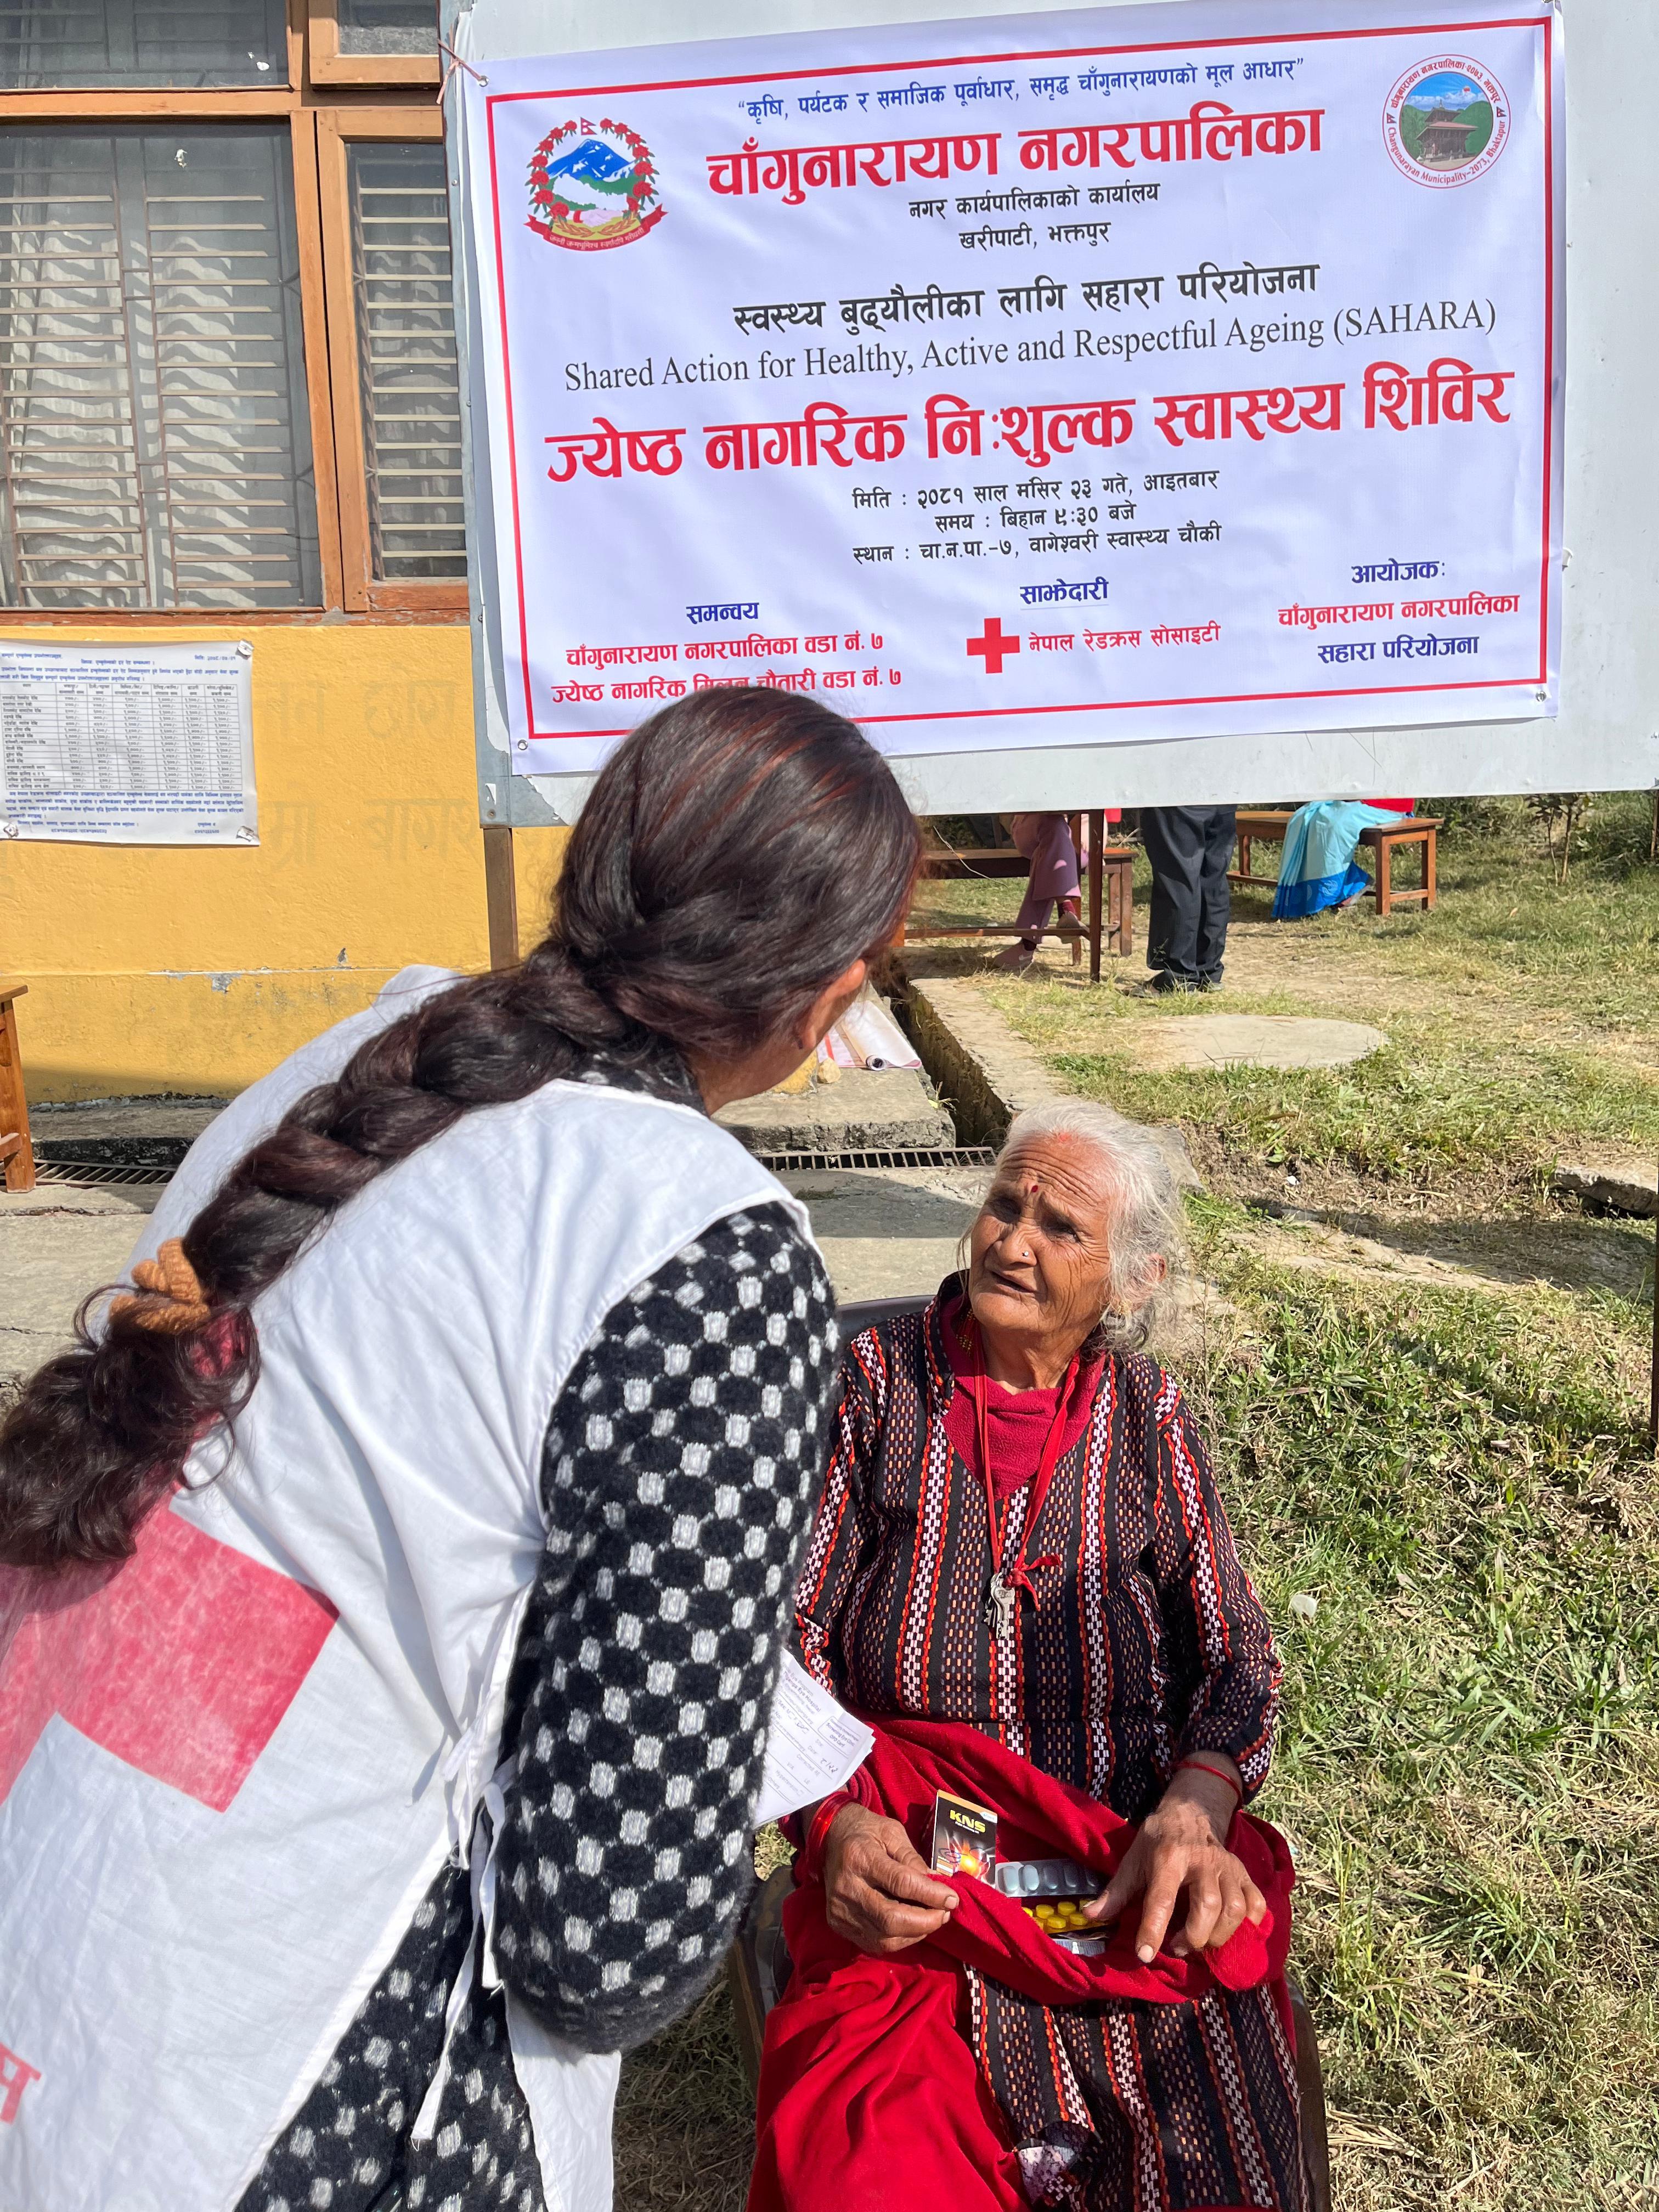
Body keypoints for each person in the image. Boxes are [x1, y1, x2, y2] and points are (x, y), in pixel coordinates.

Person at [0, 690, 920, 2212]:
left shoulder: (371, 1055)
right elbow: (605, 1944)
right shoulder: (701, 1245)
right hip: (294, 2077)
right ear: (830, 996)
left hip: (61, 1921)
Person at [751, 1099, 1304, 2212]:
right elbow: (780, 1640)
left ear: (1132, 1281)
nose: (1011, 1240)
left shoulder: (1148, 1415)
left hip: (1118, 1862)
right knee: (868, 2166)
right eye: (1005, 1206)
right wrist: (831, 1821)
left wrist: (1195, 1808)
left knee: (1211, 2153)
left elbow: (1238, 1654)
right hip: (914, 1865)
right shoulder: (873, 1384)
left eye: (1060, 1228)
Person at [995, 812, 1120, 973]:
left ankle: (1028, 944)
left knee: (1051, 850)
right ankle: (1066, 909)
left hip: (1083, 825)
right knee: (1055, 826)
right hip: (1033, 824)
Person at [1138, 804, 1237, 991]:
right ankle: (1208, 971)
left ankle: (1178, 975)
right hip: (1222, 797)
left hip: (1177, 799)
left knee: (1178, 879)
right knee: (1213, 879)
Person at [1271, 798, 1415, 919]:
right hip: (1351, 797)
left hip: (1387, 803)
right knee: (1304, 818)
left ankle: (1340, 890)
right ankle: (1349, 884)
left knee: (1334, 825)